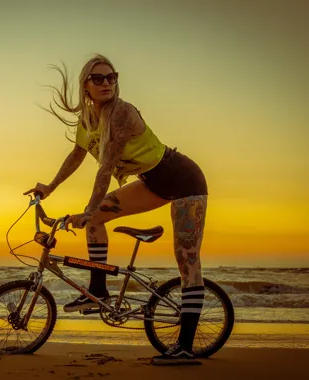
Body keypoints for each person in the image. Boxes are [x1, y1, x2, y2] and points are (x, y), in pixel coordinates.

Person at [24, 54, 208, 365]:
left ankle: (186, 347)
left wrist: (88, 207)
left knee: (186, 257)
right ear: (86, 85)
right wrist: (50, 187)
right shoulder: (88, 120)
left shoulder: (120, 112)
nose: (107, 82)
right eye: (99, 78)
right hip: (152, 182)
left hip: (184, 180)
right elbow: (77, 155)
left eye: (112, 77)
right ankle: (98, 292)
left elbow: (106, 166)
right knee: (96, 219)